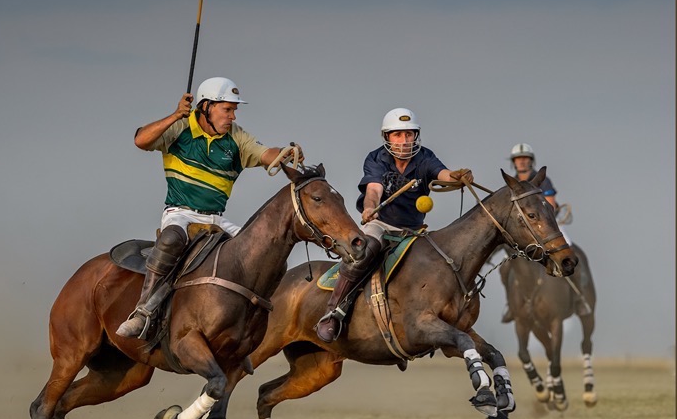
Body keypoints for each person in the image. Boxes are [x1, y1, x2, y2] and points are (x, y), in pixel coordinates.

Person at [117, 76, 303, 339]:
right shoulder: (181, 127)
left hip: (217, 219)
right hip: (180, 214)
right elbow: (141, 140)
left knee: (266, 254)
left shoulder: (236, 137)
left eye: (234, 110)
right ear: (206, 106)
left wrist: (285, 153)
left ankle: (251, 321)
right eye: (227, 109)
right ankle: (143, 312)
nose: (232, 116)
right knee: (170, 240)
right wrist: (175, 115)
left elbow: (264, 154)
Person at [315, 107, 474, 343]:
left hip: (414, 232)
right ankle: (333, 312)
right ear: (387, 137)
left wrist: (458, 176)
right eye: (398, 135)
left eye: (409, 134)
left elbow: (443, 174)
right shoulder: (376, 158)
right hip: (381, 224)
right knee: (364, 252)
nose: (404, 140)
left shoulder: (425, 158)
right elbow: (374, 189)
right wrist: (369, 207)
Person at [499, 142, 565, 323]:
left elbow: (550, 206)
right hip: (524, 232)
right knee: (505, 266)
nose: (521, 162)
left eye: (525, 158)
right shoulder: (511, 183)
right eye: (518, 159)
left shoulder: (543, 180)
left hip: (549, 227)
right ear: (513, 162)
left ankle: (578, 296)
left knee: (569, 251)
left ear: (531, 161)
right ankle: (511, 305)